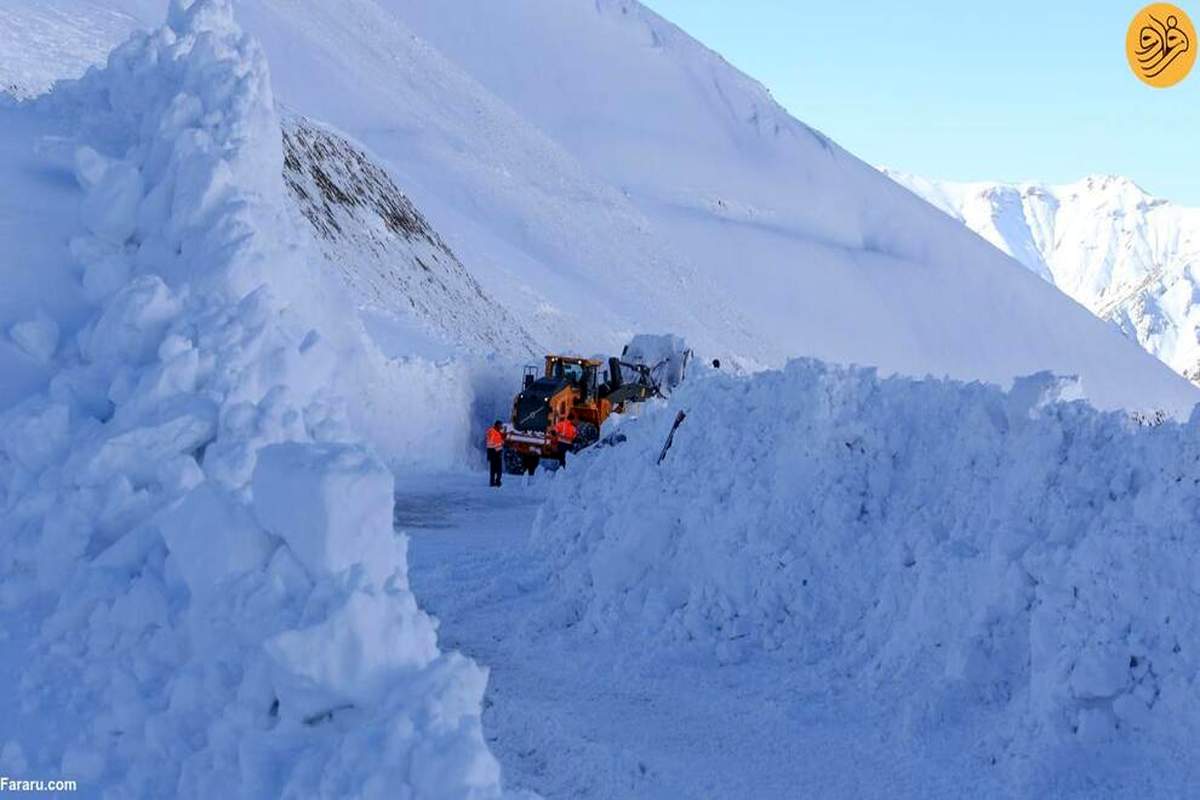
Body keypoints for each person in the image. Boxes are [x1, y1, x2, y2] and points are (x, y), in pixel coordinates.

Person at [486, 420, 505, 487]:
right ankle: (493, 482)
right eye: (500, 425)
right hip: (494, 453)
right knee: (494, 469)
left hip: (496, 453)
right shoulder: (492, 431)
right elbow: (493, 442)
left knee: (497, 469)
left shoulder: (497, 432)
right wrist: (501, 444)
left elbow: (499, 441)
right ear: (497, 425)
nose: (501, 426)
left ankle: (496, 481)